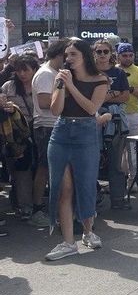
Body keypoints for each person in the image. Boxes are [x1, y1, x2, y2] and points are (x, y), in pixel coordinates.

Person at [45, 39, 109, 261]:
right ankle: (68, 242)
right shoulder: (61, 77)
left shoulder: (100, 80)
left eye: (73, 54)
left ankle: (88, 231)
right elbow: (56, 110)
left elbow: (91, 109)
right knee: (64, 189)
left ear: (84, 56)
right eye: (66, 55)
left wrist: (71, 85)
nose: (68, 58)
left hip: (85, 133)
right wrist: (62, 86)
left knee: (85, 185)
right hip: (61, 132)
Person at [28, 40, 68, 228]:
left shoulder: (53, 72)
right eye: (67, 55)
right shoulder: (45, 74)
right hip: (46, 126)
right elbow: (45, 103)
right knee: (45, 169)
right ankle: (37, 209)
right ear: (60, 54)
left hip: (54, 125)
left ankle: (53, 208)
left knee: (53, 170)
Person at [93, 39, 131, 210]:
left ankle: (118, 199)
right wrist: (111, 94)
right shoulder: (88, 72)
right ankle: (92, 199)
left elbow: (125, 97)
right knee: (93, 160)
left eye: (105, 52)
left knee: (116, 161)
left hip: (116, 122)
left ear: (111, 54)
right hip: (93, 120)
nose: (102, 55)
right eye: (98, 51)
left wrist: (103, 97)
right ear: (93, 53)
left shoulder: (119, 73)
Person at [1, 56, 37, 220]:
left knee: (38, 168)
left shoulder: (40, 84)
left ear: (34, 70)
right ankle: (24, 205)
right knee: (20, 170)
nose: (22, 74)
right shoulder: (9, 87)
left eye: (26, 70)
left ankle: (34, 202)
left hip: (38, 130)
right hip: (16, 136)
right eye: (19, 70)